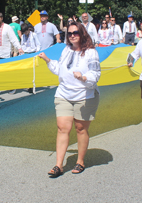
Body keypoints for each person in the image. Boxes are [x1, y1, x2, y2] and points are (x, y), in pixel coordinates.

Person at [38, 22, 101, 177]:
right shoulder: (66, 50)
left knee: (80, 129)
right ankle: (59, 165)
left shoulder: (91, 53)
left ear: (82, 34)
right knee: (62, 128)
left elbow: (96, 73)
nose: (72, 35)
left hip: (84, 96)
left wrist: (84, 77)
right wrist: (47, 60)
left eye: (76, 33)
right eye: (70, 33)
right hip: (64, 94)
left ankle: (80, 161)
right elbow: (60, 69)